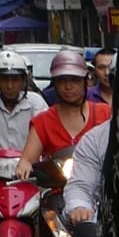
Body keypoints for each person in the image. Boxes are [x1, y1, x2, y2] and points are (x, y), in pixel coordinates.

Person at [15, 48, 108, 182]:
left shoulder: (105, 113)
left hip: (99, 189)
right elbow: (27, 159)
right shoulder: (43, 121)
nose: (68, 86)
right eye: (62, 80)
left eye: (75, 80)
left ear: (85, 81)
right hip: (56, 191)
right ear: (55, 83)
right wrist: (24, 166)